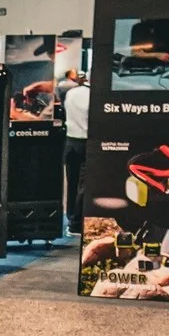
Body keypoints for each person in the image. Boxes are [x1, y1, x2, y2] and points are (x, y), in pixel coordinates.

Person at [60, 70, 91, 223]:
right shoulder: (94, 96)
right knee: (84, 183)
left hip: (70, 141)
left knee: (71, 181)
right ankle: (77, 221)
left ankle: (70, 214)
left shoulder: (71, 93)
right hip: (86, 142)